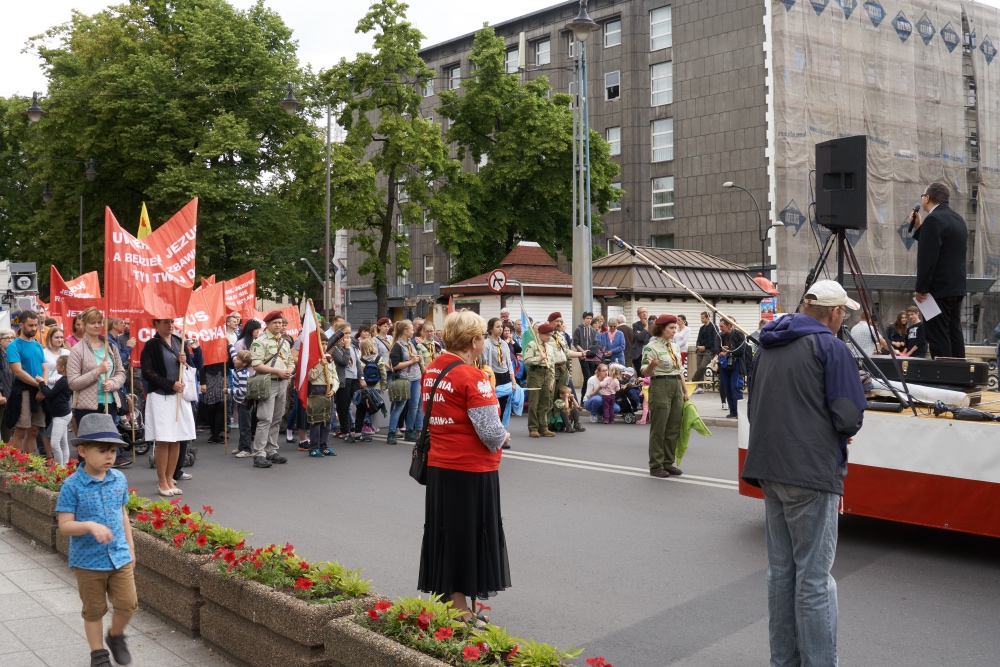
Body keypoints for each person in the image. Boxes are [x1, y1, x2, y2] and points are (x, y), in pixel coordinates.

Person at [742, 280, 866, 667]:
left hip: (769, 467)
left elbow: (754, 408)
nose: (844, 319)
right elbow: (848, 417)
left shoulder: (767, 345)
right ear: (834, 312)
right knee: (813, 580)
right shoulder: (831, 347)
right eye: (844, 313)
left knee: (781, 574)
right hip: (810, 470)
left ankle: (784, 661)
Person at [417, 311, 511, 622]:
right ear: (473, 342)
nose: (483, 342)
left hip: (440, 465)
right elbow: (491, 432)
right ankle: (459, 610)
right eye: (482, 337)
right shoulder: (473, 377)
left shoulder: (433, 369)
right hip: (471, 469)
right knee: (468, 537)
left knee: (448, 533)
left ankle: (454, 603)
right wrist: (505, 435)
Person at [55, 413, 137, 667]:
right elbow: (65, 525)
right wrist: (90, 525)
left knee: (128, 604)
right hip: (88, 562)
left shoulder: (119, 479)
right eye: (102, 451)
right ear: (83, 451)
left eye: (113, 450)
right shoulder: (72, 485)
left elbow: (122, 514)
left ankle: (115, 636)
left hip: (120, 556)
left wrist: (131, 548)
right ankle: (98, 655)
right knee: (93, 610)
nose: (110, 456)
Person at [912, 182, 969, 359]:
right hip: (956, 287)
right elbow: (943, 247)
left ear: (927, 198)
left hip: (938, 289)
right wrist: (919, 228)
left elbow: (928, 257)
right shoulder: (958, 219)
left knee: (937, 335)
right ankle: (959, 370)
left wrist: (921, 288)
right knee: (954, 331)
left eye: (923, 196)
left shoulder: (933, 219)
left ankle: (944, 372)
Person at [66, 308, 128, 466]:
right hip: (86, 406)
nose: (96, 326)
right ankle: (84, 478)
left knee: (106, 448)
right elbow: (73, 382)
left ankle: (104, 478)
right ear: (84, 325)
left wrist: (113, 383)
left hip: (109, 403)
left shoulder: (111, 346)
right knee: (89, 449)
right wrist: (97, 371)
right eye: (92, 322)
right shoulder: (77, 350)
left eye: (99, 322)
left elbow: (121, 372)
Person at [140, 318, 195, 495]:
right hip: (161, 396)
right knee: (164, 439)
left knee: (177, 438)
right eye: (165, 322)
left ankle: (170, 478)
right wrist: (170, 384)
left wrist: (185, 361)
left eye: (171, 322)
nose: (170, 325)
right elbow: (147, 372)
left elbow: (191, 367)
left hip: (179, 396)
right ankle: (162, 481)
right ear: (156, 325)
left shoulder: (179, 341)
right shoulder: (151, 345)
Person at [643, 314, 688, 478]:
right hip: (660, 385)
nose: (674, 331)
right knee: (659, 428)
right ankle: (656, 465)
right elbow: (645, 372)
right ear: (662, 329)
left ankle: (668, 463)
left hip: (676, 385)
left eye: (675, 327)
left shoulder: (674, 346)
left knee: (673, 427)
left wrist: (685, 391)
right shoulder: (651, 347)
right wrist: (651, 366)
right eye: (671, 328)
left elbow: (679, 370)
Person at [249, 311, 293, 469]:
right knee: (265, 418)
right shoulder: (260, 342)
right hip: (268, 382)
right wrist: (278, 371)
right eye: (275, 323)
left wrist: (288, 371)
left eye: (280, 323)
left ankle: (271, 450)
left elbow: (290, 361)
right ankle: (259, 454)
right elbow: (256, 364)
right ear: (267, 324)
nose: (279, 325)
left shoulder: (285, 342)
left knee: (277, 418)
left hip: (282, 382)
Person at [5, 311, 48, 454]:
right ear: (21, 325)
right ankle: (16, 462)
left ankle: (29, 461)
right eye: (30, 325)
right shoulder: (14, 346)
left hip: (39, 389)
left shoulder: (37, 345)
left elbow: (44, 368)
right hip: (23, 390)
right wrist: (40, 385)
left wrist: (42, 387)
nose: (34, 328)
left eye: (35, 325)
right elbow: (17, 371)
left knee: (34, 429)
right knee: (21, 429)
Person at [387, 320, 423, 445]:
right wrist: (412, 361)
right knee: (399, 407)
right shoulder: (397, 346)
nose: (413, 331)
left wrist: (418, 359)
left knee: (414, 407)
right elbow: (395, 365)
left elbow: (413, 359)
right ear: (405, 331)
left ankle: (410, 431)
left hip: (416, 377)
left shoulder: (411, 344)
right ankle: (391, 432)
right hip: (404, 379)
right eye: (412, 329)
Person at [305, 338, 339, 458]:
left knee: (327, 420)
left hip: (329, 390)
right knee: (316, 420)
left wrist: (334, 389)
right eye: (322, 343)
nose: (324, 346)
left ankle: (324, 446)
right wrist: (320, 365)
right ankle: (314, 447)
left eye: (326, 344)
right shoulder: (313, 358)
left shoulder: (329, 358)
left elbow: (335, 376)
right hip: (317, 390)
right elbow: (310, 376)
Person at [332, 322, 365, 440]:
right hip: (344, 379)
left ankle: (358, 430)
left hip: (354, 378)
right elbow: (344, 362)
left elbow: (357, 363)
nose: (348, 336)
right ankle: (345, 430)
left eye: (349, 333)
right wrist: (346, 347)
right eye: (345, 333)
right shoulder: (335, 347)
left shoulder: (352, 345)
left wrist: (361, 377)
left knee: (361, 403)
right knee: (343, 405)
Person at [37, 355, 72, 465]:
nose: (56, 367)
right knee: (63, 443)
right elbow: (53, 394)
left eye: (57, 365)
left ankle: (60, 468)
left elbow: (49, 395)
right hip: (63, 414)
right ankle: (65, 466)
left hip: (61, 415)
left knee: (55, 443)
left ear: (62, 367)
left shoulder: (63, 381)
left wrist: (41, 383)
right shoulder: (67, 380)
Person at [523, 323, 556, 437]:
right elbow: (527, 360)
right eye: (547, 335)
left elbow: (552, 364)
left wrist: (551, 380)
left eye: (550, 335)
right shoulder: (532, 345)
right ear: (541, 334)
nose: (549, 337)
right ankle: (533, 428)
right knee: (534, 402)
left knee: (545, 402)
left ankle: (543, 427)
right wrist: (539, 358)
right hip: (535, 373)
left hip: (547, 374)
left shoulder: (550, 347)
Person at [480, 317, 516, 419]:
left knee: (503, 404)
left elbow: (509, 362)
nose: (500, 329)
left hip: (505, 376)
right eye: (497, 327)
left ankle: (501, 426)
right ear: (491, 329)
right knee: (494, 404)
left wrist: (513, 380)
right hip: (494, 376)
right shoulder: (486, 344)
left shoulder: (503, 343)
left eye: (501, 326)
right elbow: (485, 363)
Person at [718, 319, 747, 419]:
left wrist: (728, 350)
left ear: (729, 326)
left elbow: (741, 350)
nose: (720, 329)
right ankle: (733, 411)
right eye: (720, 326)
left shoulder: (739, 335)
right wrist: (720, 351)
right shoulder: (720, 336)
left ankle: (740, 412)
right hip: (724, 364)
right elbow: (714, 348)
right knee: (727, 388)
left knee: (735, 387)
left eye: (722, 326)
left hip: (736, 363)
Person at [229, 349, 254, 457]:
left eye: (238, 359)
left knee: (245, 427)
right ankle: (241, 446)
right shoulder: (238, 368)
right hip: (240, 401)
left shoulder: (243, 374)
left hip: (244, 402)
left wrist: (229, 391)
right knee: (242, 426)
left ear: (244, 363)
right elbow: (233, 354)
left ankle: (246, 449)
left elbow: (242, 391)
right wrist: (229, 344)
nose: (235, 360)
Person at [690, 312, 721, 394]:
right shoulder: (702, 328)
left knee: (702, 367)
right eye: (701, 318)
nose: (701, 319)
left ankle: (693, 381)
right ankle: (700, 387)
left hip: (709, 351)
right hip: (700, 351)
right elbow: (698, 339)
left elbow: (714, 340)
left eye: (703, 318)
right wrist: (698, 346)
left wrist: (705, 347)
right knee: (699, 367)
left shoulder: (713, 327)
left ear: (707, 318)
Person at [573, 312, 597, 385]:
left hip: (591, 355)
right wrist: (583, 352)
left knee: (591, 377)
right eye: (587, 318)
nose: (589, 320)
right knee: (587, 377)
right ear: (583, 319)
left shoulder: (593, 330)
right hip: (582, 356)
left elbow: (595, 343)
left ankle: (588, 391)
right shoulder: (578, 329)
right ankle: (585, 392)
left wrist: (592, 353)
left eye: (590, 318)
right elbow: (576, 343)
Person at [0, 329, 15, 444]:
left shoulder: (13, 353)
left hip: (11, 395)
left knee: (8, 428)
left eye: (12, 338)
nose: (10, 340)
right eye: (7, 338)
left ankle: (5, 452)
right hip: (2, 395)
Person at [631, 307, 651, 376]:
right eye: (642, 312)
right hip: (638, 354)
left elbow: (651, 338)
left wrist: (642, 333)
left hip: (649, 353)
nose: (644, 314)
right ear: (638, 315)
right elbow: (638, 338)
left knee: (648, 375)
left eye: (645, 312)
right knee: (640, 375)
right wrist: (645, 328)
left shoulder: (652, 324)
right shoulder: (636, 325)